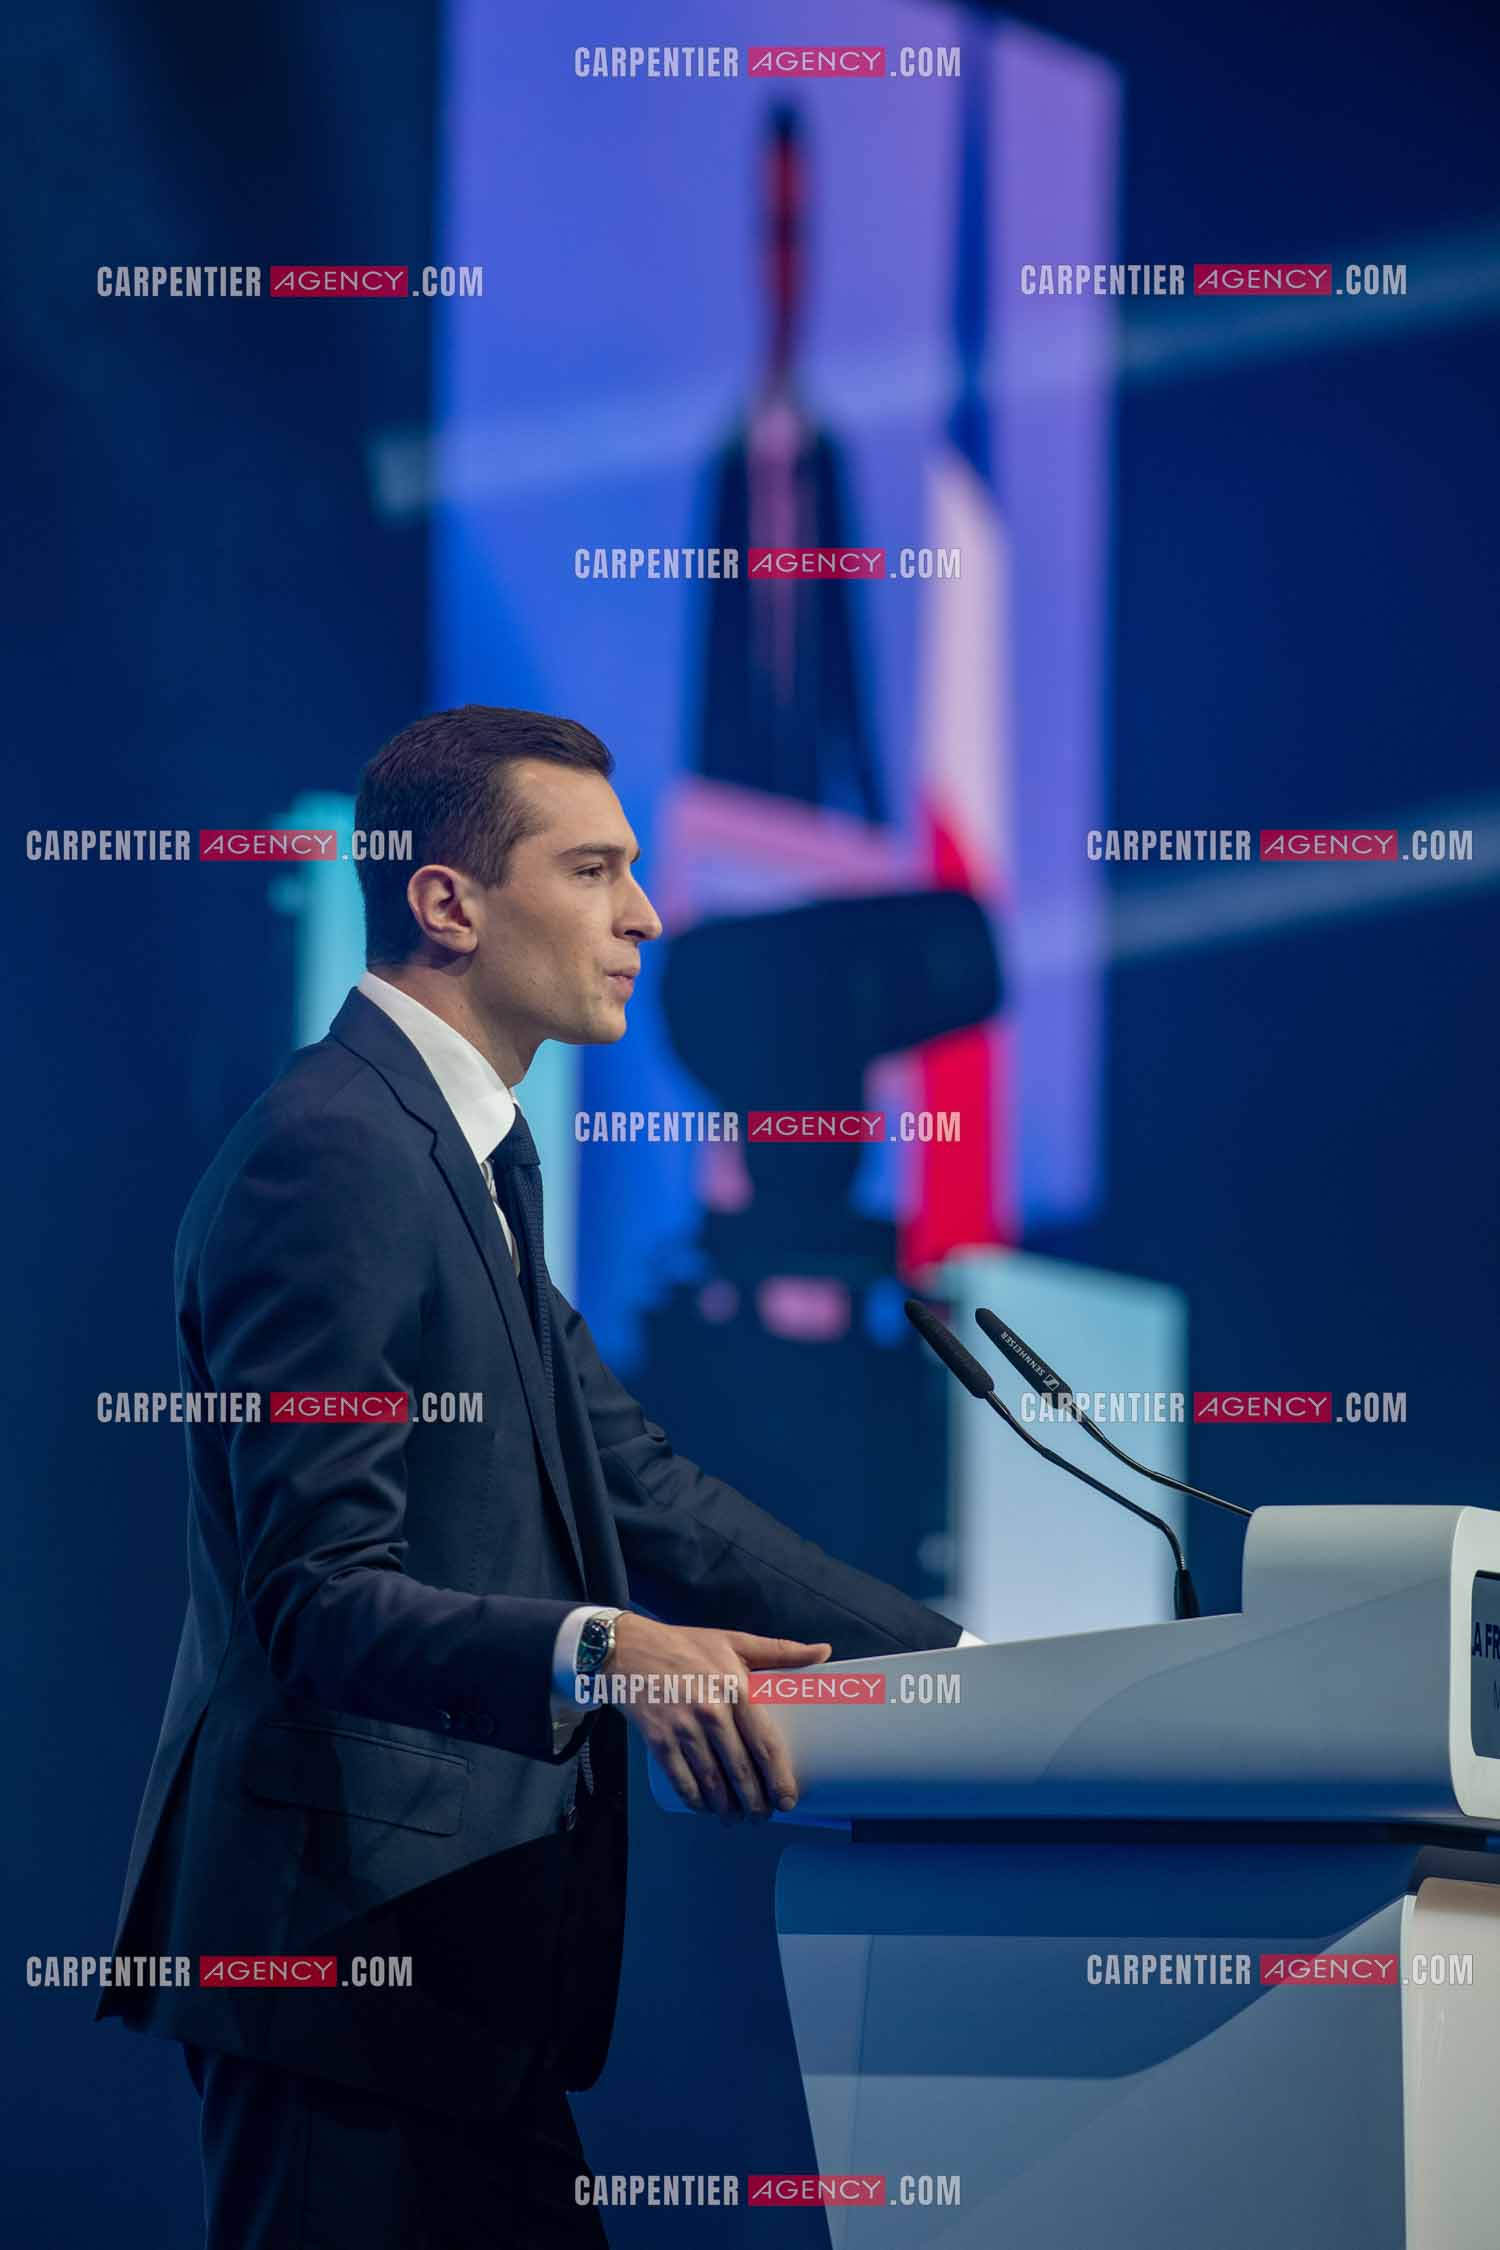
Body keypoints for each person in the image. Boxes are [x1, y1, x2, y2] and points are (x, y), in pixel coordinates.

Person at [99, 705, 976, 2248]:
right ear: (448, 901)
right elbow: (313, 1594)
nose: (646, 915)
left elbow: (640, 1487)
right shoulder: (335, 1152)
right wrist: (607, 1648)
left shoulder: (458, 1151)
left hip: (444, 1982)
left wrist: (962, 1664)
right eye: (593, 871)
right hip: (338, 1968)